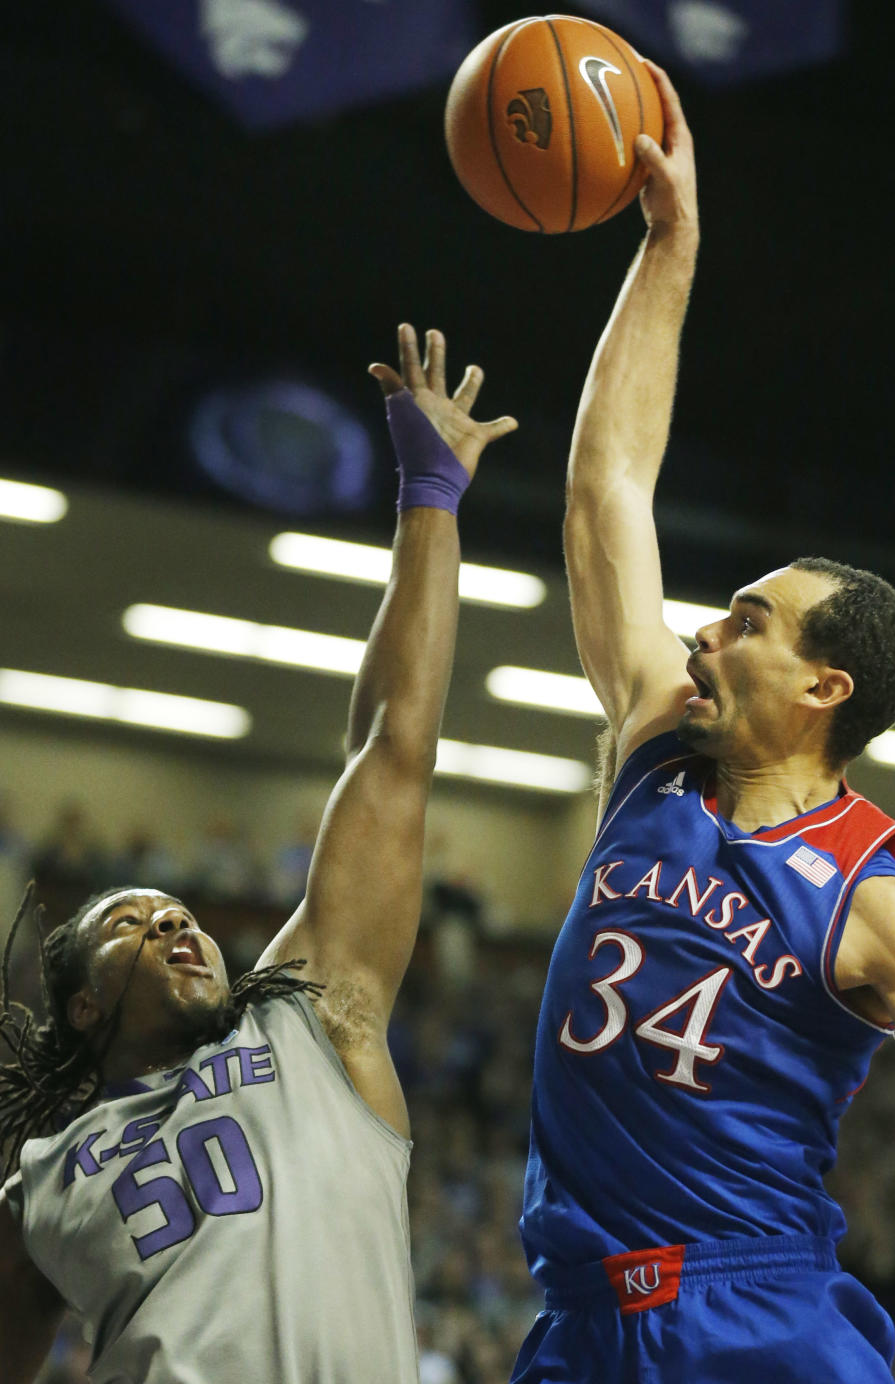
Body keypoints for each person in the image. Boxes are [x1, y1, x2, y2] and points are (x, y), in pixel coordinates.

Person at [511, 62, 895, 1384]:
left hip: (753, 1324)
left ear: (829, 687)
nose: (705, 630)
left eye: (750, 620)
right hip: (581, 1328)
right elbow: (608, 489)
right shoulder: (657, 755)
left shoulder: (877, 899)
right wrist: (671, 244)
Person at [0, 323, 517, 1384]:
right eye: (132, 923)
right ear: (85, 1006)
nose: (176, 920)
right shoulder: (36, 1182)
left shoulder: (314, 1017)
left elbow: (392, 752)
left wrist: (429, 495)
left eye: (178, 912)